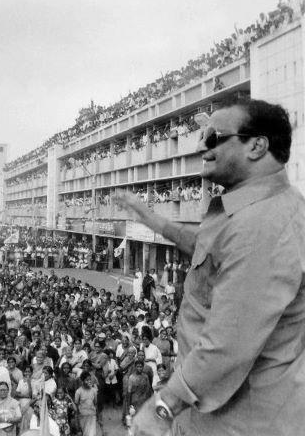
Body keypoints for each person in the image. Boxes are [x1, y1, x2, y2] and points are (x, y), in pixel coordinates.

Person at [114, 97, 305, 435]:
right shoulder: (251, 211)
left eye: (214, 136)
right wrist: (150, 217)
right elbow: (208, 248)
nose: (202, 145)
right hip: (217, 412)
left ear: (257, 146)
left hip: (240, 420)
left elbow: (228, 342)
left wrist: (162, 409)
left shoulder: (264, 224)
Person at [74, 372, 99, 436]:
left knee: (92, 434)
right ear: (82, 381)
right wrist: (77, 422)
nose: (89, 381)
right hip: (83, 417)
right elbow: (76, 406)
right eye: (87, 380)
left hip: (92, 416)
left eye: (90, 379)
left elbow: (95, 403)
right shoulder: (78, 392)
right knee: (85, 433)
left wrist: (97, 415)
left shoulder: (94, 391)